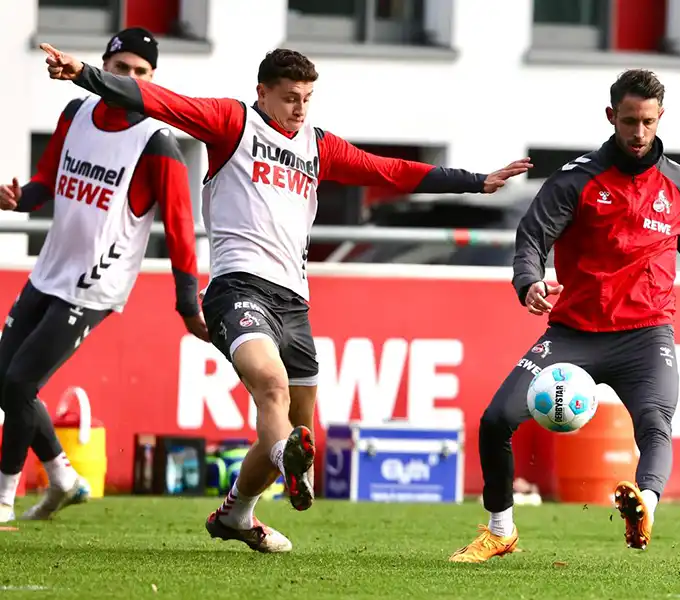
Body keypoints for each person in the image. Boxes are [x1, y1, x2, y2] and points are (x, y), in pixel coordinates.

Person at [39, 42, 532, 553]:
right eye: (290, 97)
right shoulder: (232, 123)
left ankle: (237, 513)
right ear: (262, 93)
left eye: (307, 98)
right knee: (270, 388)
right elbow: (162, 100)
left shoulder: (318, 145)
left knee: (298, 433)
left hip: (294, 302)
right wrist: (86, 75)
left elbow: (388, 170)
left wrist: (475, 181)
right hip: (236, 287)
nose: (299, 107)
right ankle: (285, 467)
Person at [449, 69, 680, 563]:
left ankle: (644, 507)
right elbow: (531, 239)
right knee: (495, 420)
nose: (638, 133)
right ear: (611, 117)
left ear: (661, 118)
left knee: (656, 424)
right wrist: (529, 283)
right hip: (574, 334)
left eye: (648, 122)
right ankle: (500, 530)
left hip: (646, 335)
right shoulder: (577, 179)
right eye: (629, 121)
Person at [0, 28, 208, 523]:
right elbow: (47, 181)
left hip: (95, 287)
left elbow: (181, 229)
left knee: (19, 381)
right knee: (5, 381)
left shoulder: (157, 143)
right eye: (122, 68)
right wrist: (18, 199)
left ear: (153, 80)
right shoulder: (75, 114)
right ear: (104, 67)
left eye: (142, 72)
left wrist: (187, 302)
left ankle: (4, 498)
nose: (130, 78)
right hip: (49, 270)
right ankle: (66, 478)